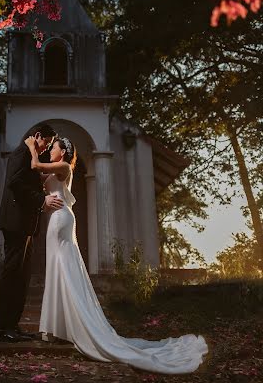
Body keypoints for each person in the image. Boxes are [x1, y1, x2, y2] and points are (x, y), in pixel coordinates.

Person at [24, 135, 209, 375]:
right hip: (56, 219)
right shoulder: (56, 168)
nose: (50, 149)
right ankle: (59, 327)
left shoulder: (63, 166)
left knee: (64, 270)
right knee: (57, 269)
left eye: (54, 147)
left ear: (63, 152)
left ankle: (71, 326)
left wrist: (31, 148)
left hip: (61, 221)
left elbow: (35, 166)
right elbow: (36, 177)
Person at [0, 124, 64, 343]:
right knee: (11, 276)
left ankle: (13, 326)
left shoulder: (28, 154)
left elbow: (29, 179)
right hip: (15, 225)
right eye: (46, 143)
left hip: (25, 226)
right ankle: (0, 329)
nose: (46, 147)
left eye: (51, 145)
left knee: (21, 278)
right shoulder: (21, 154)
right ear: (38, 136)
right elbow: (15, 183)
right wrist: (42, 200)